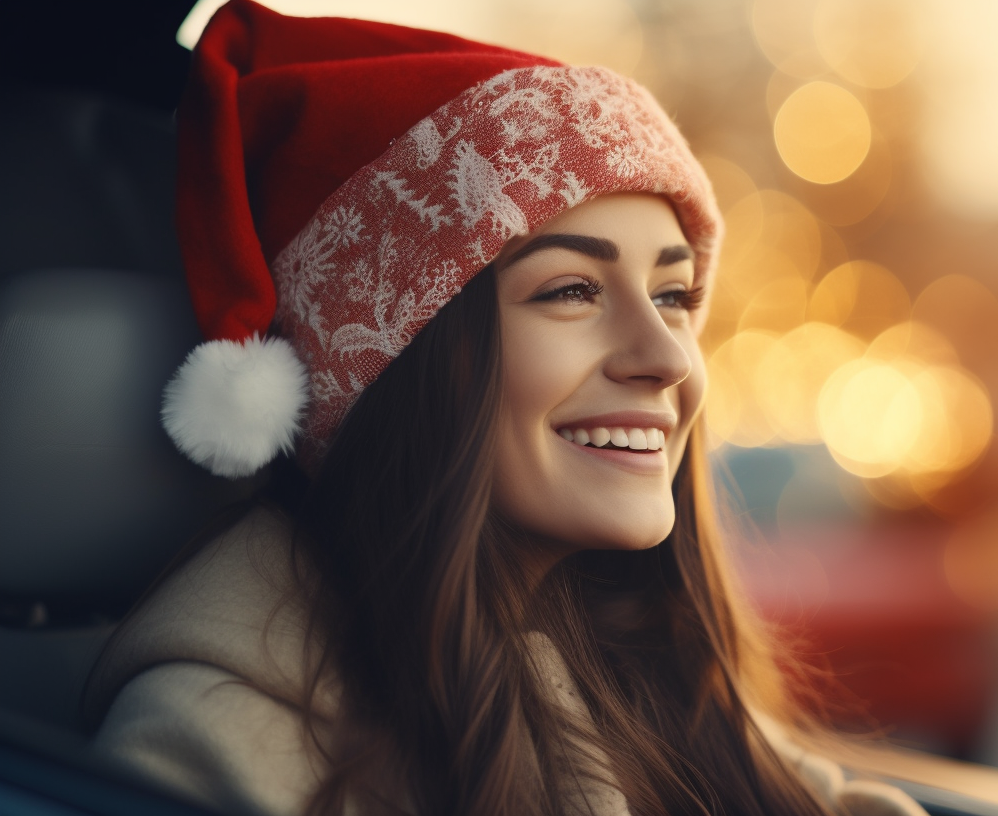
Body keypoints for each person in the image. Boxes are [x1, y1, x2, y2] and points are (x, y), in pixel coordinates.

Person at [81, 3, 927, 815]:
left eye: (674, 294)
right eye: (570, 290)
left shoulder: (657, 688)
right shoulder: (212, 747)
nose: (670, 356)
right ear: (397, 358)